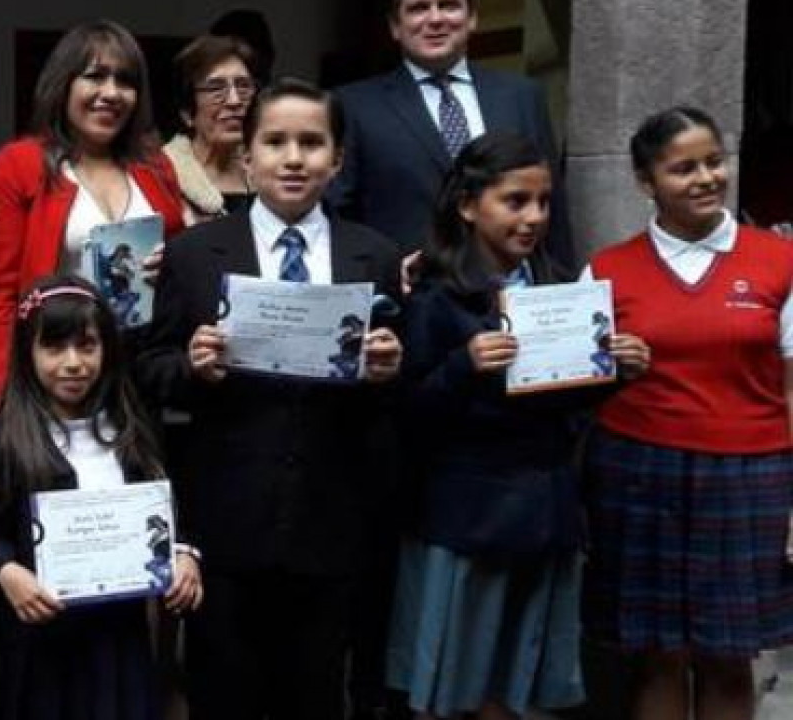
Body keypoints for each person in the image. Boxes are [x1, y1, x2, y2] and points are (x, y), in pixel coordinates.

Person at [137, 79, 404, 720]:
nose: (294, 158)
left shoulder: (374, 256)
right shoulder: (195, 254)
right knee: (222, 693)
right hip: (224, 523)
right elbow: (148, 369)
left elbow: (405, 389)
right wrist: (193, 366)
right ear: (247, 156)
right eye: (275, 142)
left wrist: (390, 368)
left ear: (337, 159)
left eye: (312, 143)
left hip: (330, 520)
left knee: (313, 694)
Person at [386, 132, 652, 720]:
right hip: (468, 521)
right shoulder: (437, 297)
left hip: (545, 513)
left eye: (544, 202)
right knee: (457, 690)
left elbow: (567, 409)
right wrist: (463, 366)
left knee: (522, 691)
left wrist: (614, 372)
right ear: (467, 205)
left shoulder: (560, 288)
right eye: (515, 201)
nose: (533, 217)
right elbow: (405, 414)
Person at [583, 106, 793, 720]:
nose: (704, 177)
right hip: (633, 472)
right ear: (647, 182)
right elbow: (573, 385)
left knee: (730, 657)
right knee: (656, 655)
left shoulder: (779, 261)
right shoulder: (605, 268)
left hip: (748, 479)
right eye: (683, 168)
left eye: (713, 161)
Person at [0, 274, 203, 720]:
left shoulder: (132, 431)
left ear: (108, 351)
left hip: (119, 637)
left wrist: (184, 554)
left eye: (87, 346)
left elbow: (168, 513)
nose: (73, 363)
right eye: (54, 348)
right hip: (42, 645)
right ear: (28, 353)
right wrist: (8, 574)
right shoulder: (11, 437)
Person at [0, 20, 185, 415]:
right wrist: (1, 403)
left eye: (125, 81)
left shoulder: (156, 167)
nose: (111, 93)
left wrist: (170, 270)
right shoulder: (20, 163)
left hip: (139, 374)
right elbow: (1, 296)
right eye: (94, 77)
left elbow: (181, 270)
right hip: (56, 371)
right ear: (64, 84)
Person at [327, 0, 566, 264]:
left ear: (472, 17)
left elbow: (554, 208)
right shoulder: (354, 105)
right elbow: (337, 216)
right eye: (418, 8)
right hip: (409, 297)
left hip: (513, 293)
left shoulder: (521, 96)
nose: (436, 19)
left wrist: (560, 290)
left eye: (449, 5)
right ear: (395, 26)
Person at [162, 34, 260, 223]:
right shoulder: (161, 176)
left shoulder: (267, 174)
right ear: (187, 112)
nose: (234, 101)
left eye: (243, 86)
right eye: (216, 88)